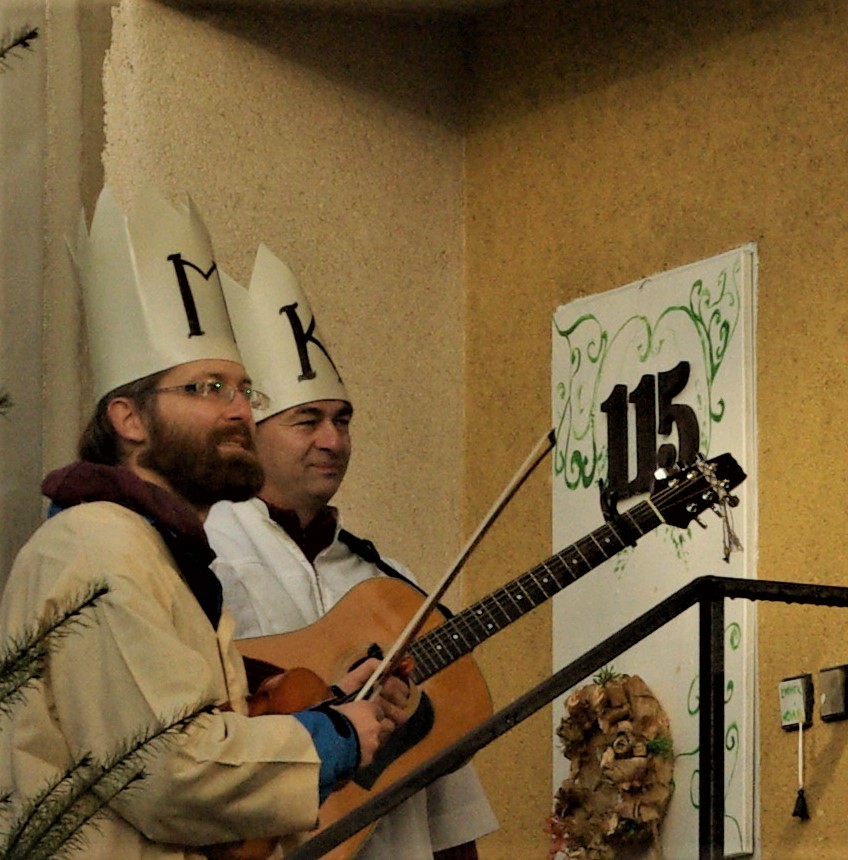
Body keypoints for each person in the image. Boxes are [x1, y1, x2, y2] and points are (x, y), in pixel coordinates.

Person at [0, 187, 410, 858]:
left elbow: (189, 735)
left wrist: (324, 706)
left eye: (243, 390)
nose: (241, 411)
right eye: (208, 388)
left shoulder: (159, 551)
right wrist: (330, 739)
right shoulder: (97, 544)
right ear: (129, 419)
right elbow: (170, 772)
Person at [205, 244, 498, 860]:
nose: (333, 441)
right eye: (307, 421)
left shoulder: (388, 583)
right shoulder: (206, 556)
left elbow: (442, 772)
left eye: (342, 421)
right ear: (251, 431)